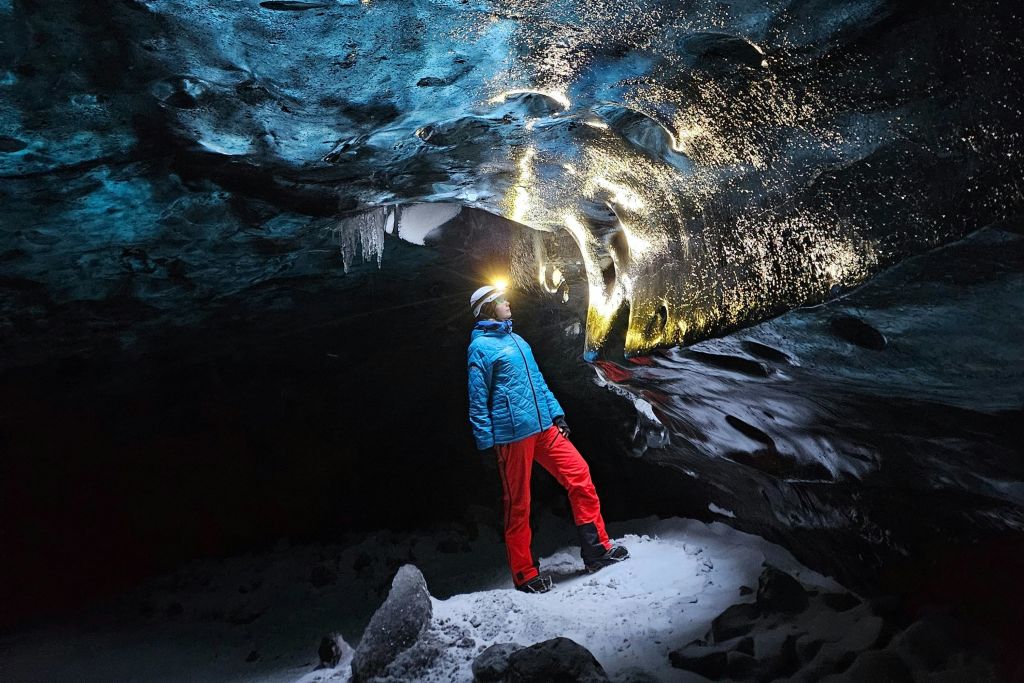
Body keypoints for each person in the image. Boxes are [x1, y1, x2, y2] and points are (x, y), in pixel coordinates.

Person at [467, 283, 629, 593]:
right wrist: (486, 444)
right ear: (487, 309)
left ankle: (596, 550)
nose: (507, 303)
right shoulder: (480, 348)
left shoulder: (518, 341)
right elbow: (477, 400)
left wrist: (556, 414)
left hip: (543, 428)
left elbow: (538, 382)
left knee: (579, 474)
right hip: (512, 435)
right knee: (519, 504)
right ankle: (525, 574)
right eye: (500, 300)